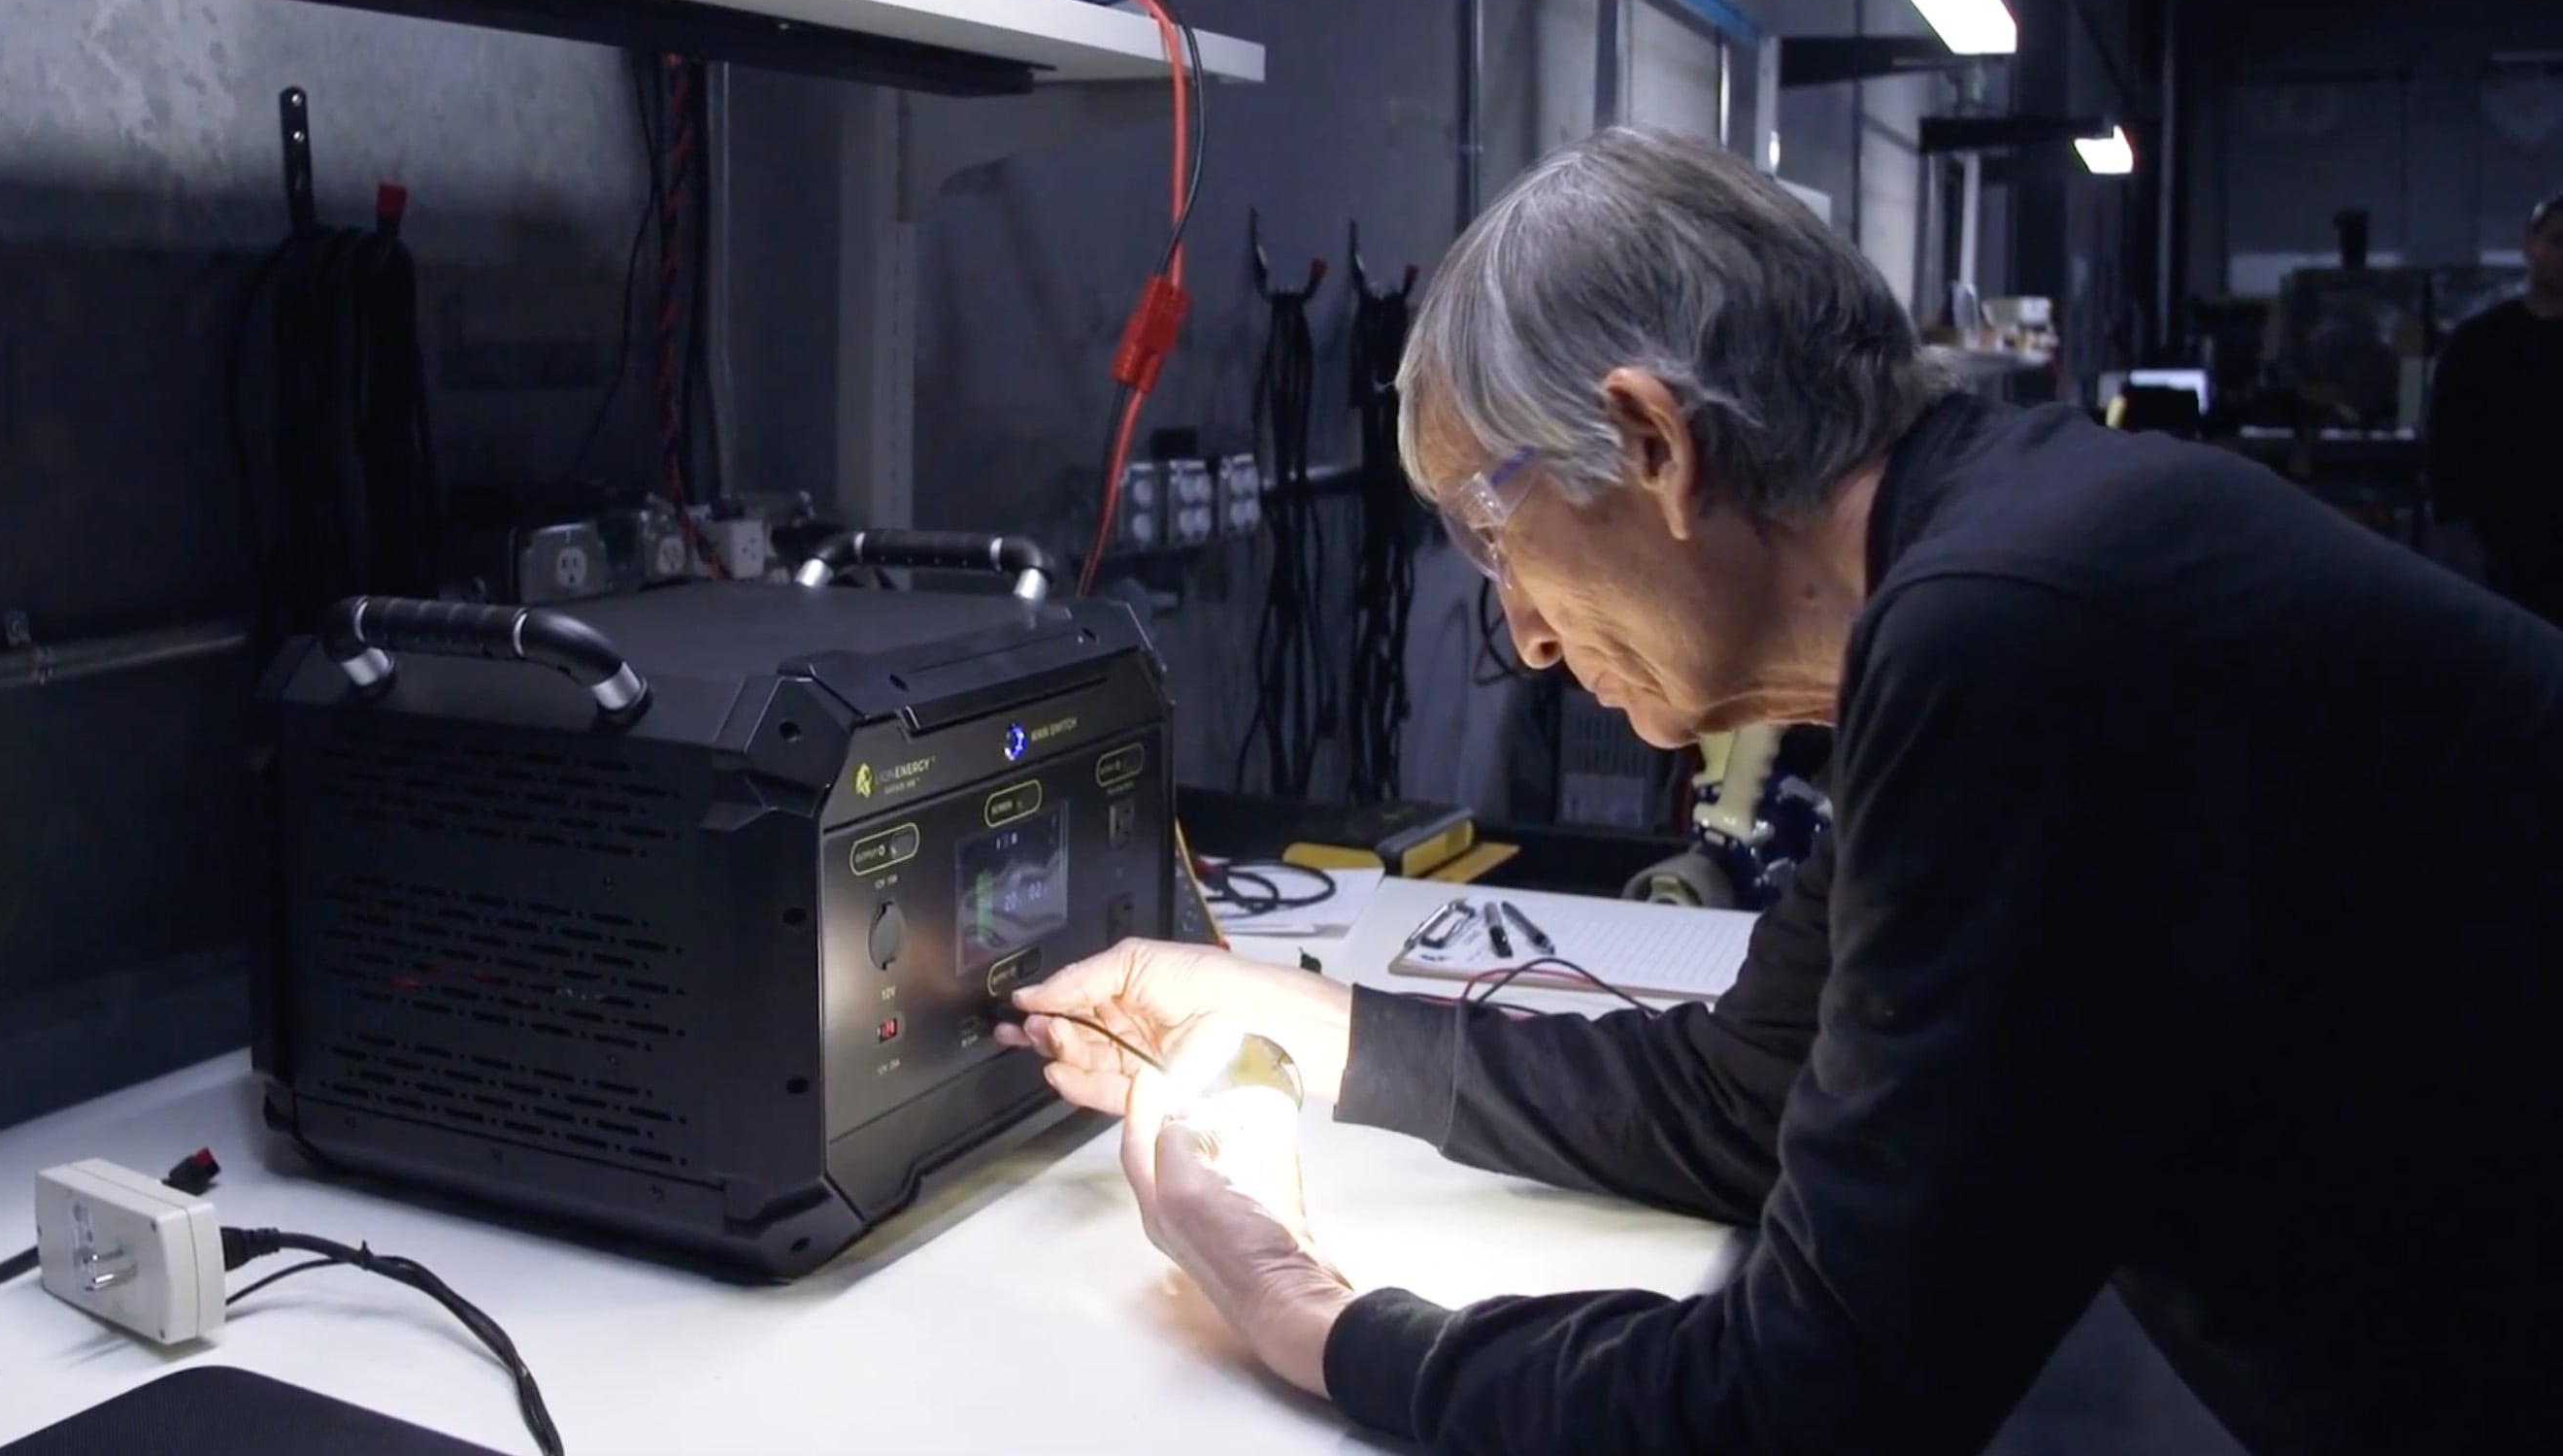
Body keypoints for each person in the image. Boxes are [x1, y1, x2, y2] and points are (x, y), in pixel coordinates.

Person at [1000, 128, 2558, 1455]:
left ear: (1651, 442)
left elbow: (1811, 1405)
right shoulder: (1995, 559)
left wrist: (1306, 1315)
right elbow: (1739, 1101)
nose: (1522, 634)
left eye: (1494, 535)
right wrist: (1287, 1016)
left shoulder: (2014, 636)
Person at [2427, 194, 2563, 626]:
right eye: (2559, 241)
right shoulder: (2479, 345)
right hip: (2503, 555)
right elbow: (2446, 446)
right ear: (2530, 246)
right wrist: (2459, 540)